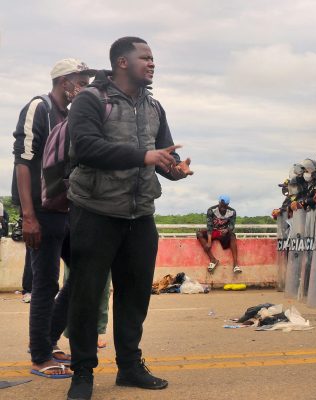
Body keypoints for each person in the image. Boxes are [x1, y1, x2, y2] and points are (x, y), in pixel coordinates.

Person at [65, 36, 193, 400]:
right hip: (95, 211)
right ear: (122, 62)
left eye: (153, 58)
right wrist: (145, 157)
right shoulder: (90, 100)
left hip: (140, 215)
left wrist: (175, 169)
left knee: (135, 296)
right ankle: (83, 373)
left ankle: (129, 366)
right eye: (145, 57)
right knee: (88, 295)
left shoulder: (154, 107)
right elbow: (87, 148)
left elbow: (160, 156)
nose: (152, 63)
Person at [12, 58, 95, 379]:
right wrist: (28, 215)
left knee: (85, 270)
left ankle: (49, 340)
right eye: (81, 82)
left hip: (66, 208)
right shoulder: (40, 107)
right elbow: (23, 161)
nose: (85, 87)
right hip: (41, 211)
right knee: (45, 282)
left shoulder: (72, 115)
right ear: (65, 82)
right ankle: (40, 355)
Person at [196, 195, 240, 273]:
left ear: (228, 204)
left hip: (224, 232)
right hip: (213, 231)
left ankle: (236, 265)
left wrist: (227, 230)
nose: (223, 208)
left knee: (233, 236)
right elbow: (209, 226)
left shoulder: (232, 212)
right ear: (219, 203)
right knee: (199, 233)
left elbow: (232, 225)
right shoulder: (211, 210)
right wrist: (209, 242)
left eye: (225, 206)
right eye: (221, 205)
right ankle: (213, 260)